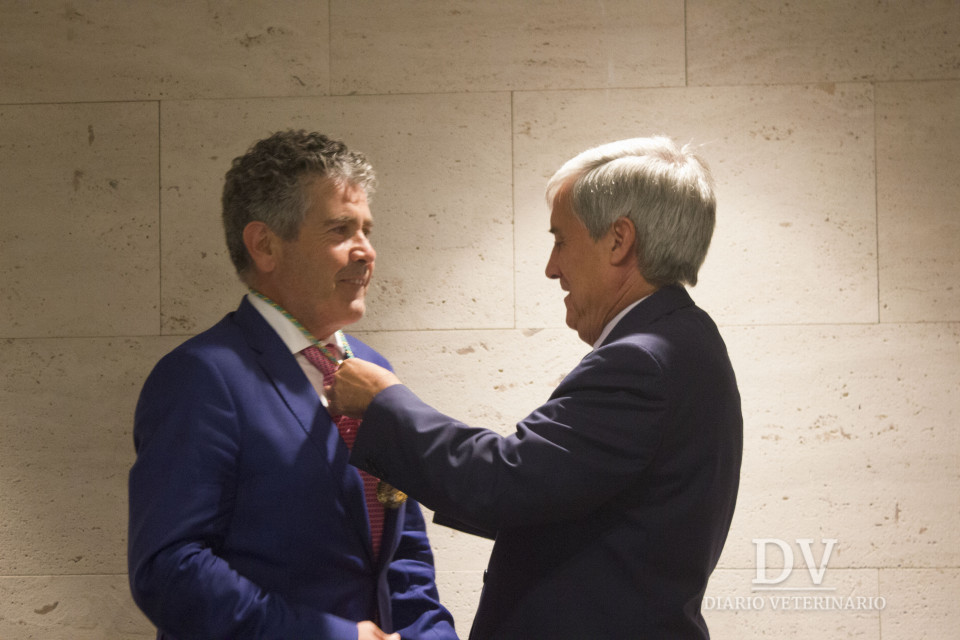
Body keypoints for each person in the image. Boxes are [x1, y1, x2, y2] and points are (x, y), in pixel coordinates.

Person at [328, 136, 743, 639]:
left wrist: (383, 402)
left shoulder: (643, 362)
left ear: (619, 240)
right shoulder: (684, 341)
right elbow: (556, 502)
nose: (551, 267)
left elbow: (507, 482)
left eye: (561, 240)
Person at [128, 130, 458, 640]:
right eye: (340, 230)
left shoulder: (371, 368)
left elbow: (406, 555)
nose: (367, 251)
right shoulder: (201, 376)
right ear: (264, 245)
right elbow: (171, 570)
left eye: (367, 229)